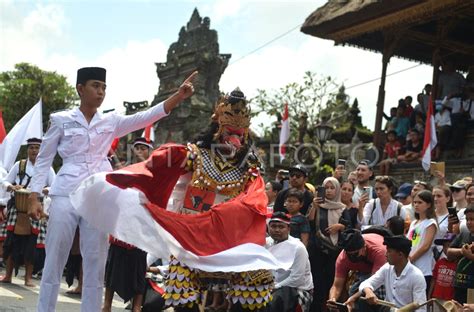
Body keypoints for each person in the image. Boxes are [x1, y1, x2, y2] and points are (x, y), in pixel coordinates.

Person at [27, 67, 197, 312]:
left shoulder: (111, 121)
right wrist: (34, 196)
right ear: (80, 89)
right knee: (55, 257)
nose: (101, 92)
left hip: (97, 194)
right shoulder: (61, 120)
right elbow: (44, 159)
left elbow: (146, 117)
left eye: (104, 87)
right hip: (64, 191)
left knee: (96, 261)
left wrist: (177, 97)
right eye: (96, 86)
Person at [102, 137, 154, 312]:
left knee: (139, 269)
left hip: (142, 225)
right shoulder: (126, 170)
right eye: (137, 147)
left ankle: (137, 306)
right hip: (123, 223)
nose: (139, 151)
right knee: (114, 266)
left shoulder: (155, 174)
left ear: (150, 151)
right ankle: (107, 304)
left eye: (143, 148)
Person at [0, 138, 55, 287]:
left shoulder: (47, 167)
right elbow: (5, 181)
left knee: (32, 244)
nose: (34, 151)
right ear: (27, 150)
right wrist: (12, 187)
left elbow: (54, 186)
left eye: (37, 148)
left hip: (36, 208)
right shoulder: (20, 165)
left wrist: (46, 190)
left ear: (41, 150)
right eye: (31, 148)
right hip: (17, 209)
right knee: (11, 242)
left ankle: (28, 278)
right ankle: (8, 275)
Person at [357, 235, 427, 312]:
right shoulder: (387, 268)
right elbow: (365, 284)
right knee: (363, 300)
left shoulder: (416, 276)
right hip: (387, 309)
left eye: (389, 251)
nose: (386, 254)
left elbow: (421, 308)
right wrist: (368, 291)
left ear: (400, 254)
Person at [307, 177, 346, 312]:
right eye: (326, 188)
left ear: (337, 189)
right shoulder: (317, 205)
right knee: (317, 284)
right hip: (317, 251)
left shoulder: (342, 208)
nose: (329, 191)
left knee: (331, 282)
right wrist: (314, 206)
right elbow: (310, 223)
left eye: (332, 188)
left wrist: (340, 226)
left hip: (335, 252)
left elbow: (350, 227)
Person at [266, 212, 313, 312]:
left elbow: (297, 279)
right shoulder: (265, 243)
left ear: (289, 229)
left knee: (275, 301)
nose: (277, 230)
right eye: (273, 226)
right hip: (270, 287)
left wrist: (274, 287)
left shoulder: (298, 247)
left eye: (281, 227)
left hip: (296, 289)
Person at [327, 229, 387, 309]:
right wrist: (333, 299)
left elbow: (374, 283)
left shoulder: (379, 252)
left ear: (364, 247)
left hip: (381, 271)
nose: (352, 257)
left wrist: (354, 298)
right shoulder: (343, 259)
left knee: (370, 296)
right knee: (353, 291)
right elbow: (337, 286)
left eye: (355, 254)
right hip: (363, 273)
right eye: (349, 255)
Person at [407, 190, 438, 290]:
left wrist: (411, 258)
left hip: (424, 267)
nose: (416, 205)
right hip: (411, 266)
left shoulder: (430, 223)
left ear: (428, 204)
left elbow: (426, 246)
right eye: (415, 202)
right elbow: (413, 241)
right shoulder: (414, 223)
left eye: (420, 202)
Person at [447, 205, 474, 304]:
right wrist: (462, 251)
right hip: (459, 284)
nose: (469, 222)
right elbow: (449, 252)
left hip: (472, 287)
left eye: (472, 219)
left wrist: (470, 256)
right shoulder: (464, 235)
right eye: (467, 219)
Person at [429, 232, 457, 303]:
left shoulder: (458, 264)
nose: (446, 249)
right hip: (436, 298)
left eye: (449, 246)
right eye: (444, 246)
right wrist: (429, 295)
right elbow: (434, 279)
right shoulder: (440, 262)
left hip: (450, 300)